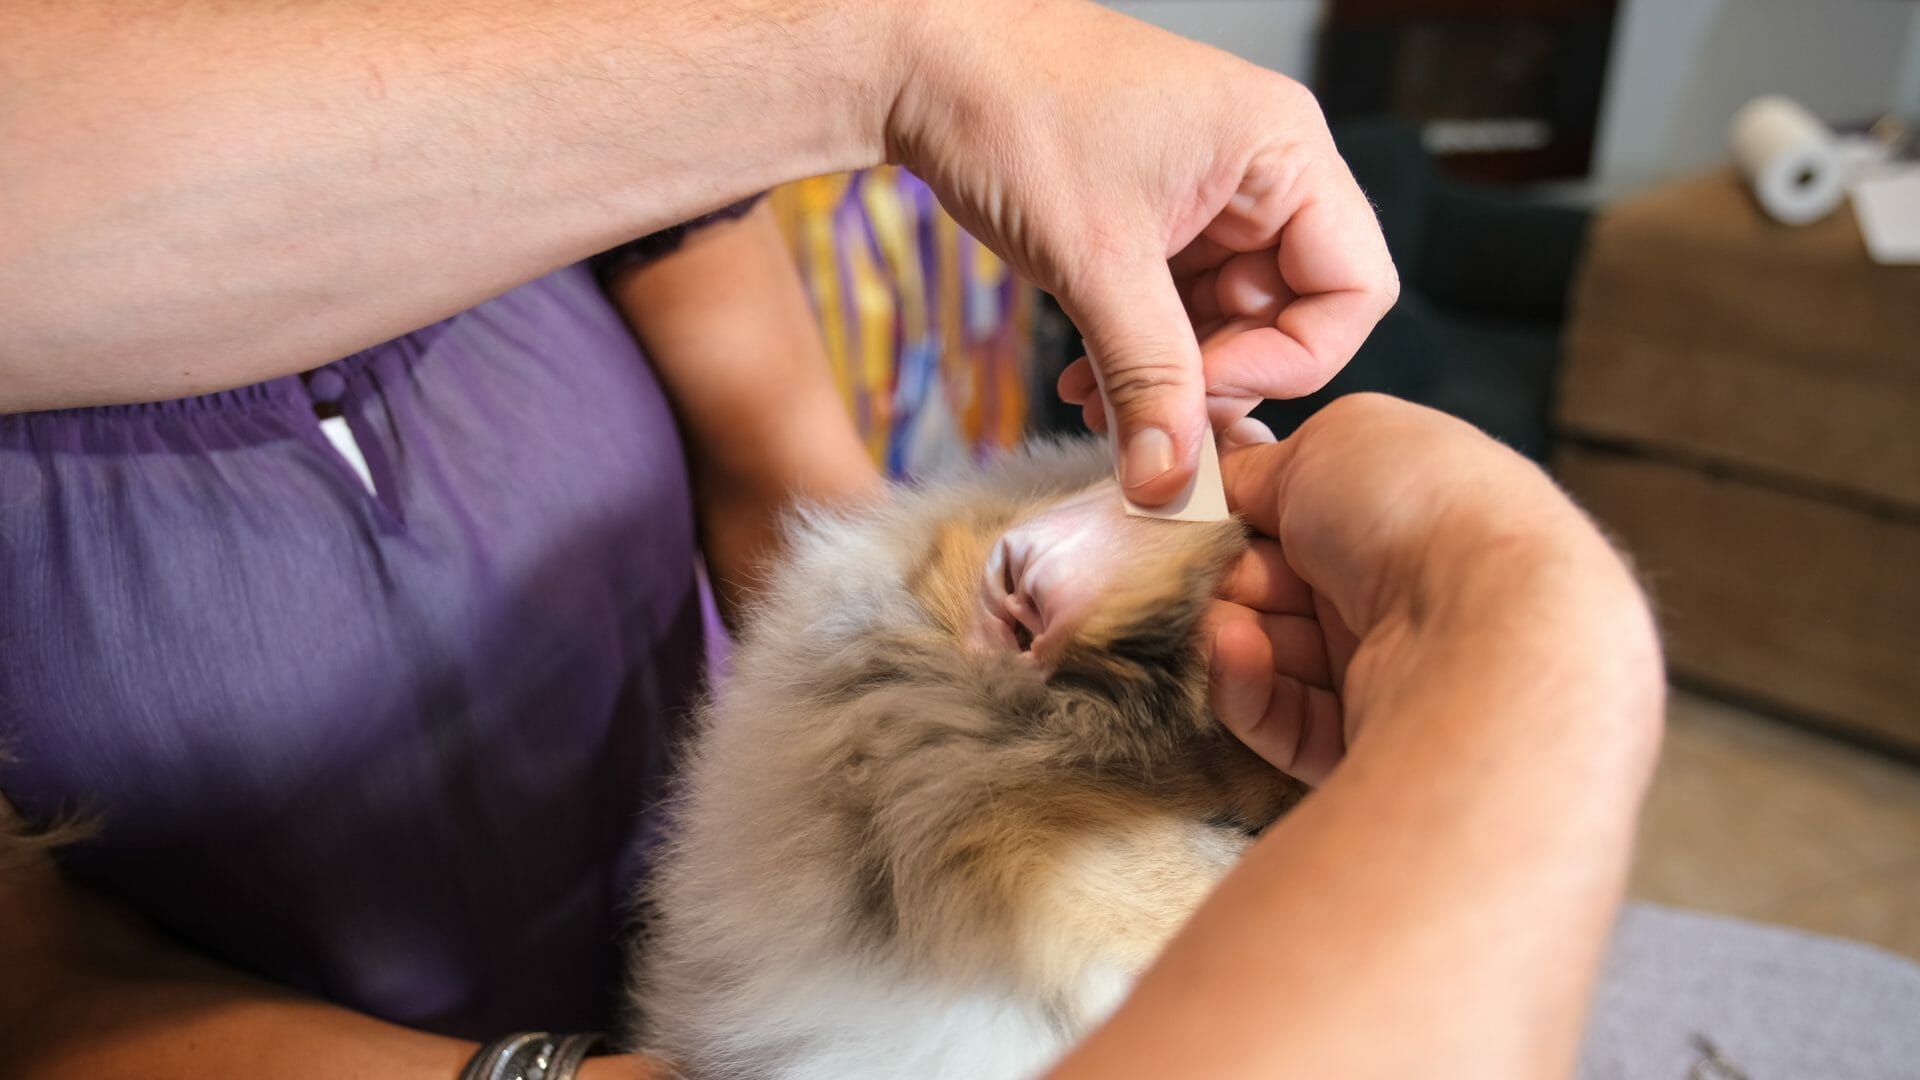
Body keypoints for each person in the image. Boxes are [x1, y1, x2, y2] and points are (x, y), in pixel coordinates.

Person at [0, 1, 1659, 1078]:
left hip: (727, 954)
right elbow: (45, 999)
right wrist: (1528, 620)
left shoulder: (560, 84)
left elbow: (789, 489)